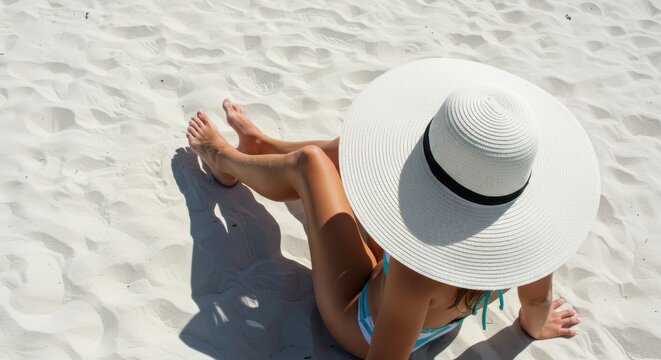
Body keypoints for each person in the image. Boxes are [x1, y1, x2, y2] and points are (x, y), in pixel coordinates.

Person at [185, 59, 600, 359]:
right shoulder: (530, 244)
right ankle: (264, 147)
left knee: (311, 163)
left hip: (358, 323)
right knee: (355, 150)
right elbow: (534, 308)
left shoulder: (417, 270)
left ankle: (224, 161)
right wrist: (534, 328)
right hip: (419, 310)